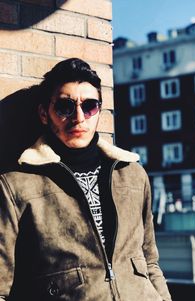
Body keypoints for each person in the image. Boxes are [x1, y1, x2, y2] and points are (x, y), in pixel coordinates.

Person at [0, 58, 172, 301]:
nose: (79, 117)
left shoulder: (132, 175)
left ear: (98, 110)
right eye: (65, 106)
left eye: (89, 106)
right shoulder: (16, 185)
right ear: (44, 113)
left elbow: (149, 261)